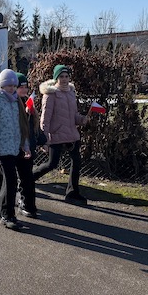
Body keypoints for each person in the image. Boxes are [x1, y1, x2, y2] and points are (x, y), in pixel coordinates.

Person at [32, 65, 93, 205]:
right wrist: (44, 140)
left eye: (66, 76)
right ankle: (28, 179)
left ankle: (72, 193)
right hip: (56, 135)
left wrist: (82, 119)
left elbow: (73, 115)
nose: (64, 79)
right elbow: (45, 119)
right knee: (52, 164)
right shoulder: (50, 95)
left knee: (76, 161)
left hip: (71, 134)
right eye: (61, 77)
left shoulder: (71, 93)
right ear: (56, 78)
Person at [0, 69, 30, 230]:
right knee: (11, 181)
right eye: (8, 85)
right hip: (2, 147)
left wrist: (25, 145)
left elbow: (21, 125)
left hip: (14, 147)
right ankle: (7, 215)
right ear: (2, 85)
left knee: (1, 179)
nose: (12, 88)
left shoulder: (15, 101)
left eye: (14, 86)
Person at [15, 73, 41, 218]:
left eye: (26, 87)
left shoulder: (28, 102)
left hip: (28, 146)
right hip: (16, 146)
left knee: (27, 178)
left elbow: (34, 126)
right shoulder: (12, 103)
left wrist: (42, 141)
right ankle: (0, 204)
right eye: (21, 87)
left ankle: (27, 204)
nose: (24, 90)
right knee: (9, 178)